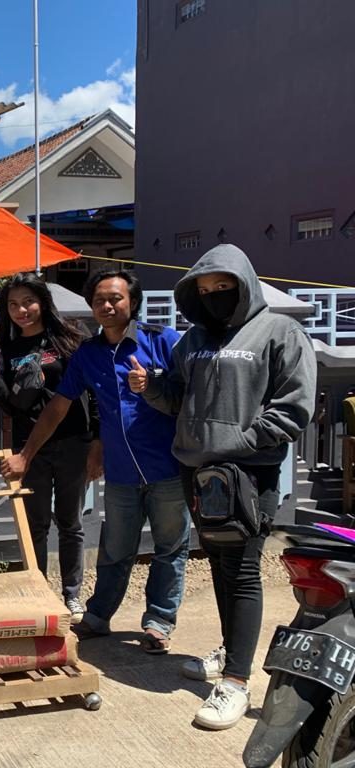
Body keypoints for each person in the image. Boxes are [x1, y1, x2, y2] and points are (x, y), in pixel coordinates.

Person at [132, 244, 315, 729]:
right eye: (205, 289)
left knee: (244, 570)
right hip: (198, 470)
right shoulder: (192, 340)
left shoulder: (279, 332)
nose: (213, 295)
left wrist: (242, 440)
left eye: (223, 286)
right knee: (217, 563)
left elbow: (294, 407)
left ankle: (236, 681)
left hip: (248, 473)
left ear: (244, 285)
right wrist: (150, 387)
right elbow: (178, 397)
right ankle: (232, 650)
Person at [3, 269, 190, 653]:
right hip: (121, 472)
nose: (107, 305)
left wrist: (153, 387)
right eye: (99, 299)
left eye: (115, 298)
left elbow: (193, 394)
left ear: (132, 302)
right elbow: (58, 406)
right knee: (115, 550)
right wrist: (26, 453)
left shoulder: (164, 341)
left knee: (170, 549)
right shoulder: (88, 354)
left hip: (168, 468)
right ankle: (98, 615)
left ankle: (158, 622)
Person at [0, 273, 95, 621]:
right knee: (36, 525)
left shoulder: (72, 338)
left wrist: (97, 442)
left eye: (28, 302)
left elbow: (94, 393)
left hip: (73, 441)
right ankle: (39, 591)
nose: (22, 310)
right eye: (13, 305)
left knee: (71, 522)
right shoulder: (7, 349)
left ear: (43, 302)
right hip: (29, 448)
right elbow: (9, 405)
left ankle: (72, 594)